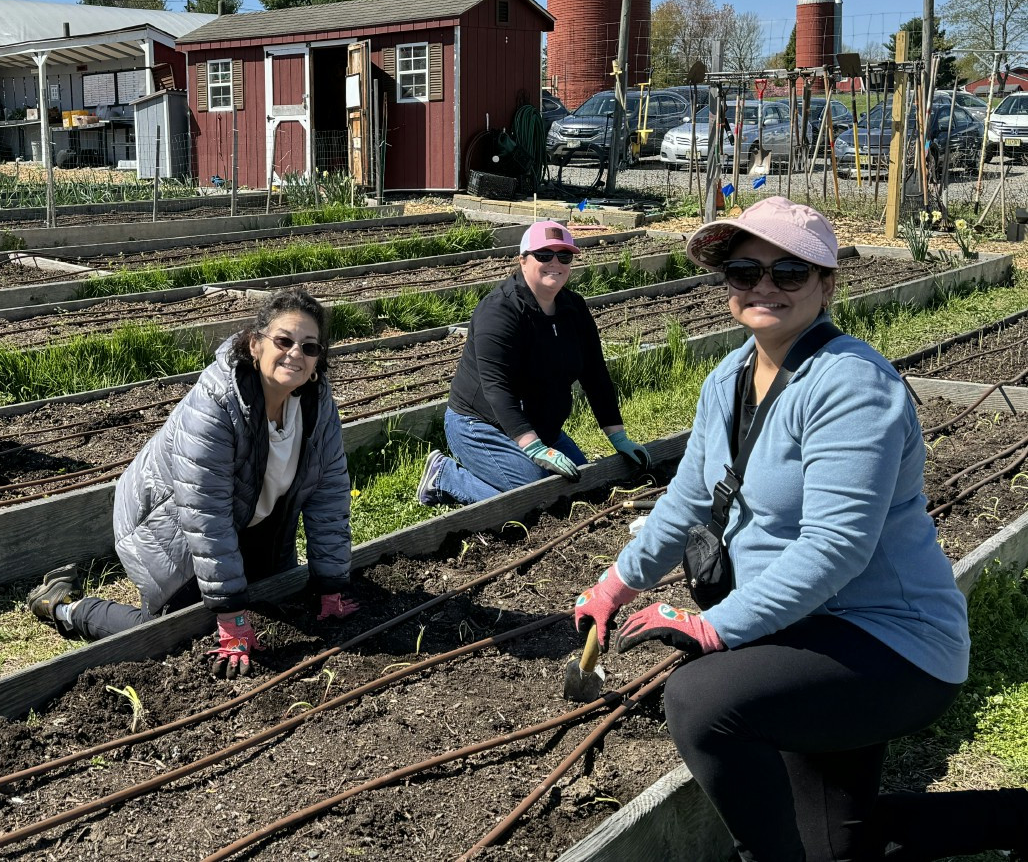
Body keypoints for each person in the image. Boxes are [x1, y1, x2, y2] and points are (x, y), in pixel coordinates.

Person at [571, 196, 1026, 862]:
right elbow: (689, 501)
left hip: (891, 644)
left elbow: (835, 546)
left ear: (827, 282)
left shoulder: (851, 384)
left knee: (701, 697)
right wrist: (614, 585)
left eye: (789, 272)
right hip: (807, 631)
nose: (764, 286)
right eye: (745, 270)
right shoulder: (726, 379)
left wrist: (714, 628)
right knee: (834, 845)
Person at [27, 289, 360, 677]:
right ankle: (65, 607)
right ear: (256, 344)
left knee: (272, 603)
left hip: (252, 520)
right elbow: (206, 513)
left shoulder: (317, 405)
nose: (295, 354)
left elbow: (330, 494)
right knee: (179, 634)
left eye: (309, 346)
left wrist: (331, 583)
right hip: (168, 524)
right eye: (284, 341)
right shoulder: (217, 404)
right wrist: (231, 614)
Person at [416, 220, 649, 507]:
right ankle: (444, 477)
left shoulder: (573, 308)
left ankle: (518, 470)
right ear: (523, 261)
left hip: (541, 426)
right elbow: (496, 388)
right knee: (539, 496)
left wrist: (619, 437)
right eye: (544, 255)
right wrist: (533, 447)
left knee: (584, 487)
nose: (555, 263)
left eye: (564, 256)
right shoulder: (499, 312)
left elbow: (595, 374)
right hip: (481, 425)